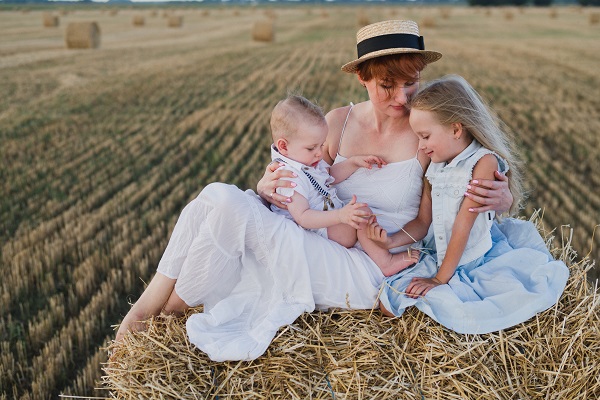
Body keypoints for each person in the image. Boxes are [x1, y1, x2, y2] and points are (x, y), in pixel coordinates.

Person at [115, 20, 514, 362]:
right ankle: (162, 308)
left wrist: (503, 198)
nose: (401, 98)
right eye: (387, 85)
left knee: (223, 200)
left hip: (366, 266)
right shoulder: (337, 123)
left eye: (411, 84)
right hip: (315, 235)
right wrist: (266, 187)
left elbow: (448, 201)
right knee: (216, 199)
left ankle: (156, 311)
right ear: (362, 78)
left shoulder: (429, 132)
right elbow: (303, 176)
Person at [376, 75, 569, 333]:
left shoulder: (483, 163)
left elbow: (462, 227)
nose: (421, 147)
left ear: (456, 129)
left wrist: (439, 279)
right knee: (388, 305)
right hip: (439, 252)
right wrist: (390, 241)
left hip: (472, 257)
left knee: (469, 314)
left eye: (424, 136)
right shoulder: (436, 165)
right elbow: (423, 223)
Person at [268, 93, 420, 272]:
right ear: (284, 146)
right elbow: (303, 217)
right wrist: (340, 216)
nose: (319, 153)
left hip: (326, 221)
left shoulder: (305, 161)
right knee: (360, 214)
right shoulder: (287, 177)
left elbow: (329, 176)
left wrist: (354, 162)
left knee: (360, 212)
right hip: (316, 231)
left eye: (321, 146)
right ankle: (385, 262)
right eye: (311, 148)